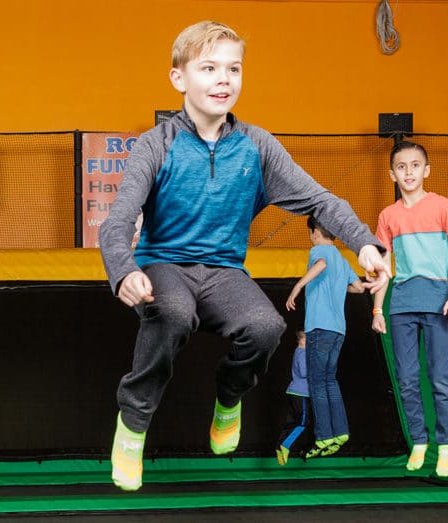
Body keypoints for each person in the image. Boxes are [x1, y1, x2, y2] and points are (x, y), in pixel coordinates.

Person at [100, 20, 391, 491]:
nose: (223, 79)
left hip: (223, 271)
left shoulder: (256, 147)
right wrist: (124, 271)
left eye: (233, 69)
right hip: (162, 265)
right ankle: (133, 426)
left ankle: (229, 399)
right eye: (209, 68)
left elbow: (320, 200)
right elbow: (117, 222)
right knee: (172, 311)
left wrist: (365, 244)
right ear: (179, 78)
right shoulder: (157, 145)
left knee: (265, 327)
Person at [371, 140, 448, 477]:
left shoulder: (443, 206)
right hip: (402, 304)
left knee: (441, 378)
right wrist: (377, 310)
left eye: (415, 165)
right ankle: (419, 441)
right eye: (401, 166)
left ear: (426, 170)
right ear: (392, 174)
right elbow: (383, 267)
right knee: (407, 379)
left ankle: (445, 446)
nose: (408, 171)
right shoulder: (388, 216)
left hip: (440, 301)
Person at [286, 215, 366, 459]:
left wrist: (298, 287)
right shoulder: (341, 259)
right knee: (330, 380)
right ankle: (340, 431)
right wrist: (336, 285)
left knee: (317, 383)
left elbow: (320, 264)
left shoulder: (319, 250)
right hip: (338, 330)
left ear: (315, 232)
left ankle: (324, 435)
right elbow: (359, 288)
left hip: (319, 328)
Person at [276, 329, 312, 466]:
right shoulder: (302, 353)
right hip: (301, 393)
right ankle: (285, 445)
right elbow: (303, 372)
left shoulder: (298, 352)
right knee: (302, 423)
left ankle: (279, 447)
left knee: (291, 422)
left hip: (294, 392)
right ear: (302, 340)